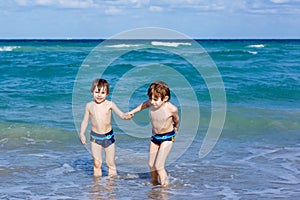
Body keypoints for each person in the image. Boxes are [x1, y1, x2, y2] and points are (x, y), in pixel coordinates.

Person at [128, 81, 180, 186]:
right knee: (151, 165)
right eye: (151, 98)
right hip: (155, 137)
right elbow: (143, 105)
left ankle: (166, 189)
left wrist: (176, 126)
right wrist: (132, 112)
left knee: (159, 165)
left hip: (167, 137)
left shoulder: (172, 109)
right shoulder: (151, 103)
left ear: (165, 98)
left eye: (155, 99)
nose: (152, 102)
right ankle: (155, 185)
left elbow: (176, 119)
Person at [80, 78, 131, 177]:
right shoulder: (89, 106)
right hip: (95, 137)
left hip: (108, 137)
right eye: (97, 92)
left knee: (110, 163)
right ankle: (97, 187)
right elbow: (85, 121)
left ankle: (111, 187)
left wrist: (126, 116)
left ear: (107, 94)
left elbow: (121, 115)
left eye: (103, 92)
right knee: (97, 163)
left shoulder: (109, 104)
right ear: (92, 92)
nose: (99, 95)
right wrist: (82, 133)